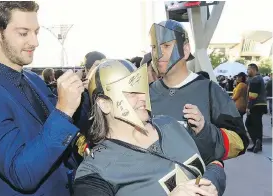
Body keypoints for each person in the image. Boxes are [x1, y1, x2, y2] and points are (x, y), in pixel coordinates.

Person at [0, 2, 90, 195]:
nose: (35, 42)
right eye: (23, 33)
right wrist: (64, 110)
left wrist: (86, 94)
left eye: (36, 32)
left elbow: (63, 130)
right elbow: (22, 174)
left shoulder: (33, 80)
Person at [74, 60, 225, 196]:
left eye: (142, 88)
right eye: (132, 92)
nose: (143, 97)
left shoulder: (169, 125)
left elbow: (214, 162)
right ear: (105, 104)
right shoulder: (95, 171)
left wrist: (211, 183)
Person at [148, 20, 249, 165]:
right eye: (154, 47)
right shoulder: (146, 93)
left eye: (166, 46)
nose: (158, 53)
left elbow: (239, 142)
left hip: (195, 184)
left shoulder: (210, 91)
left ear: (185, 49)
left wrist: (205, 130)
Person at [245, 63, 267, 153]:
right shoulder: (258, 78)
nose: (247, 71)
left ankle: (256, 141)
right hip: (260, 105)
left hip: (256, 105)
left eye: (249, 69)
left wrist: (249, 107)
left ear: (254, 70)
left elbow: (253, 95)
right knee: (257, 125)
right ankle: (257, 144)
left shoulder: (255, 79)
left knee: (250, 123)